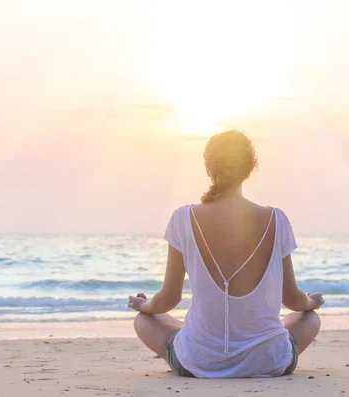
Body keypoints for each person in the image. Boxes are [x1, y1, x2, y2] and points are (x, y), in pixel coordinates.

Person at [128, 130, 324, 378]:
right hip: (269, 361)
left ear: (209, 168)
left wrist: (145, 306)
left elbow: (169, 299)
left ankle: (204, 342)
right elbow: (293, 300)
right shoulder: (277, 219)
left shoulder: (182, 218)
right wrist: (311, 303)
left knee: (145, 321)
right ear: (250, 167)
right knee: (309, 318)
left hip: (199, 362)